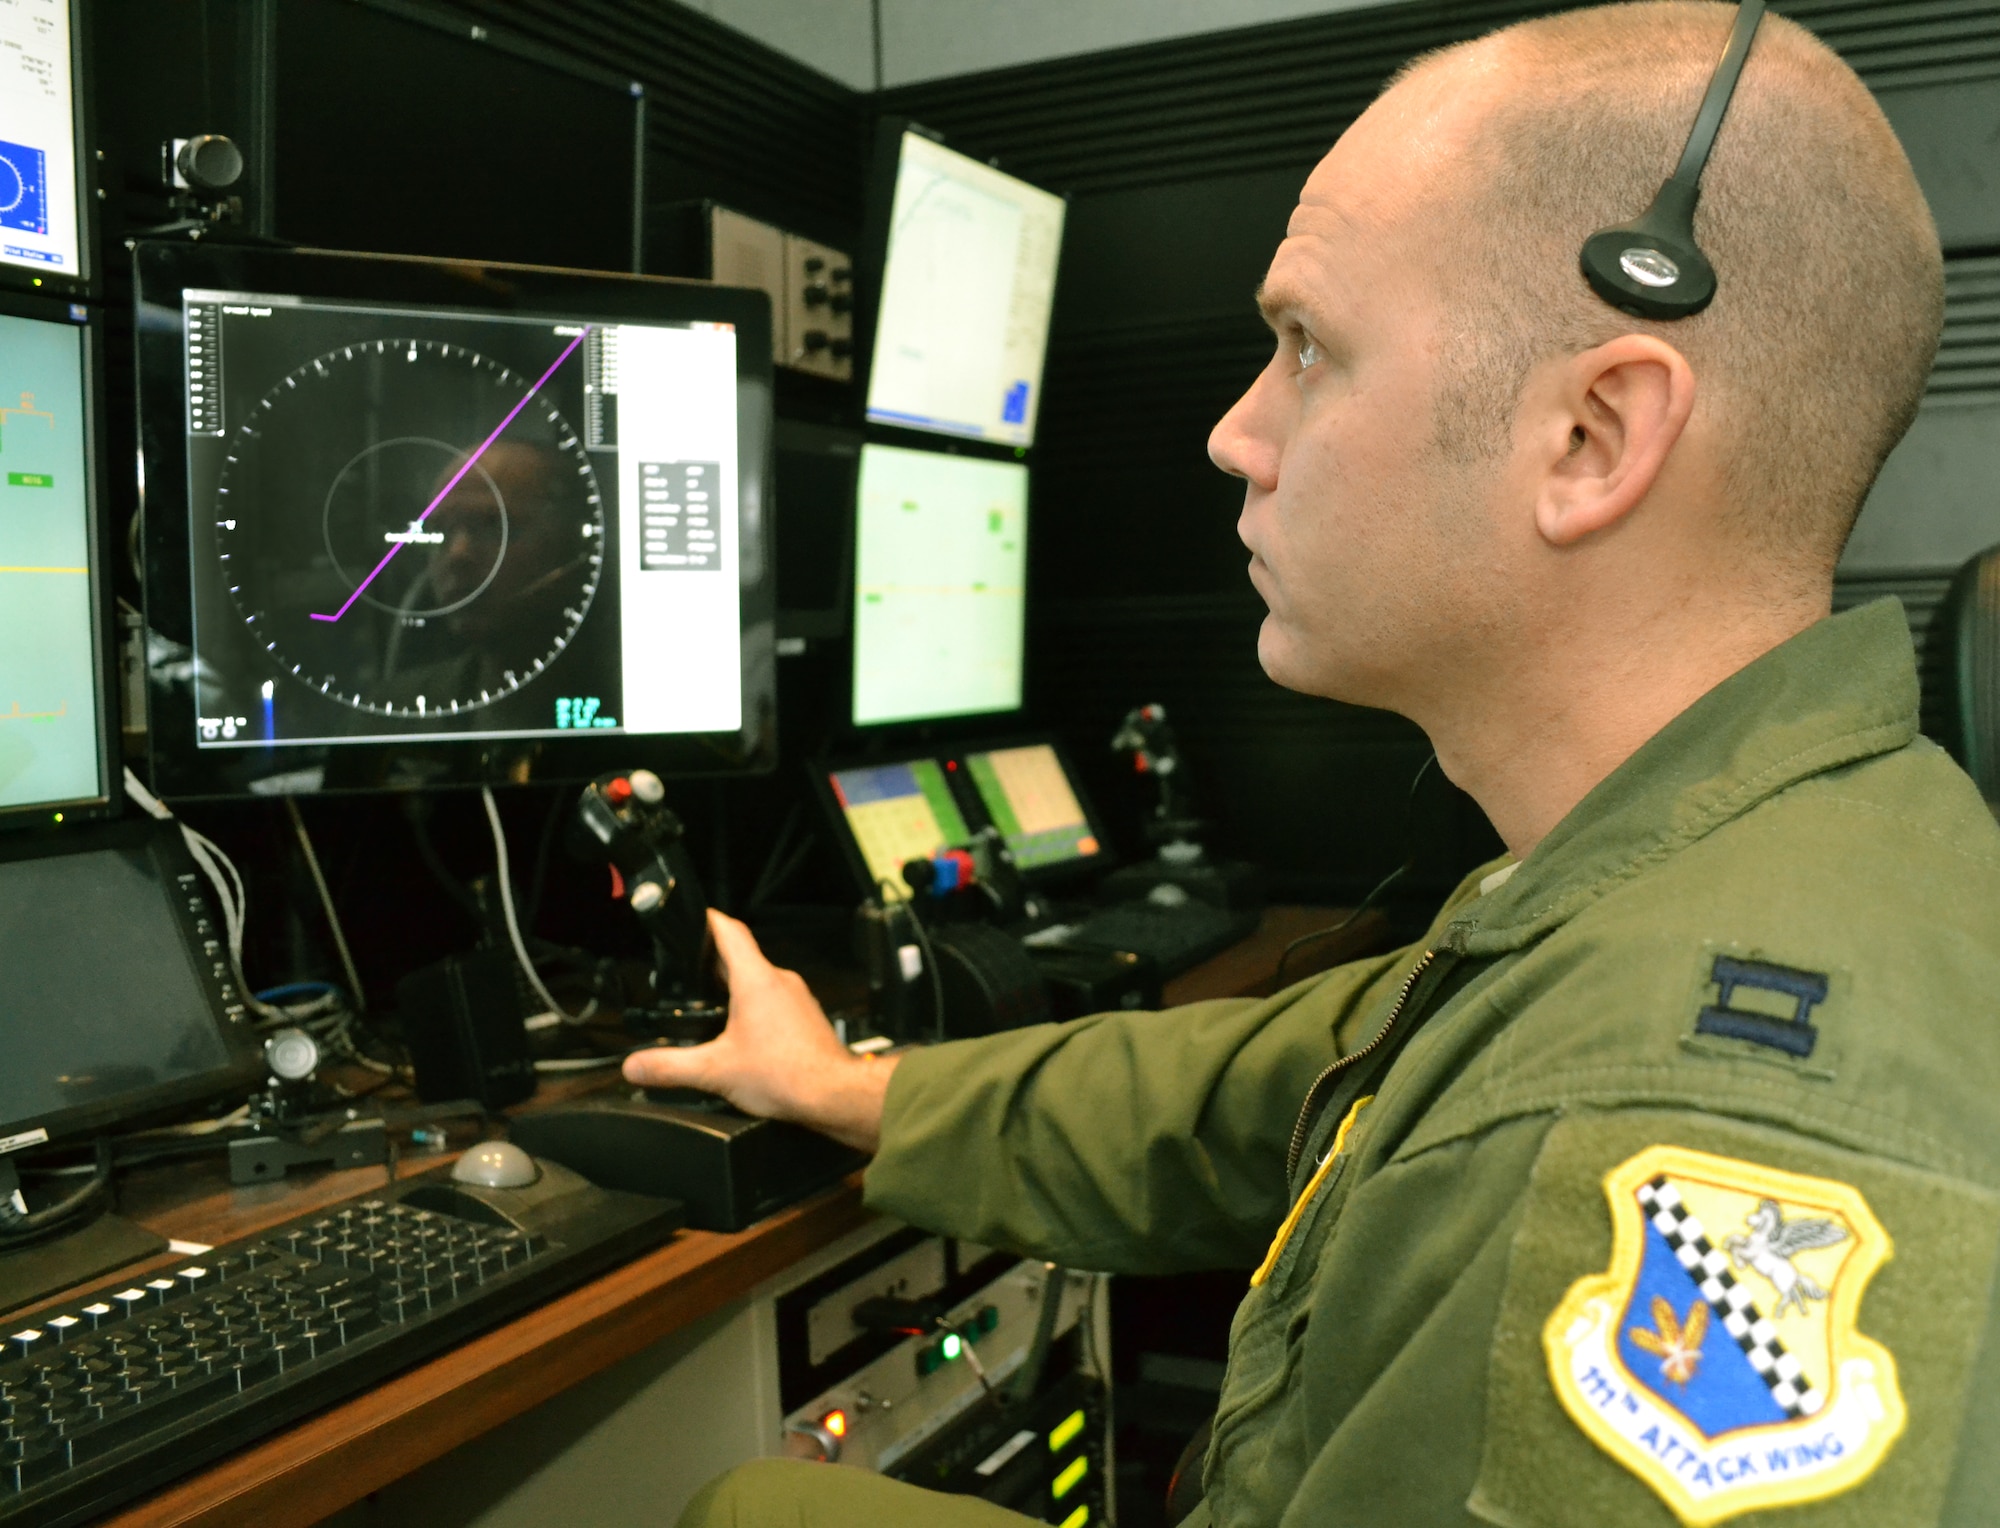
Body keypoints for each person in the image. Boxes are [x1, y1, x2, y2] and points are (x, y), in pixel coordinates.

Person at [631, 4, 2000, 1523]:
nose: (1235, 434)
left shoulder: (1667, 1125)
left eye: (1306, 349)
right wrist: (846, 1084)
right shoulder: (1718, 859)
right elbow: (1258, 1088)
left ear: (1594, 439)